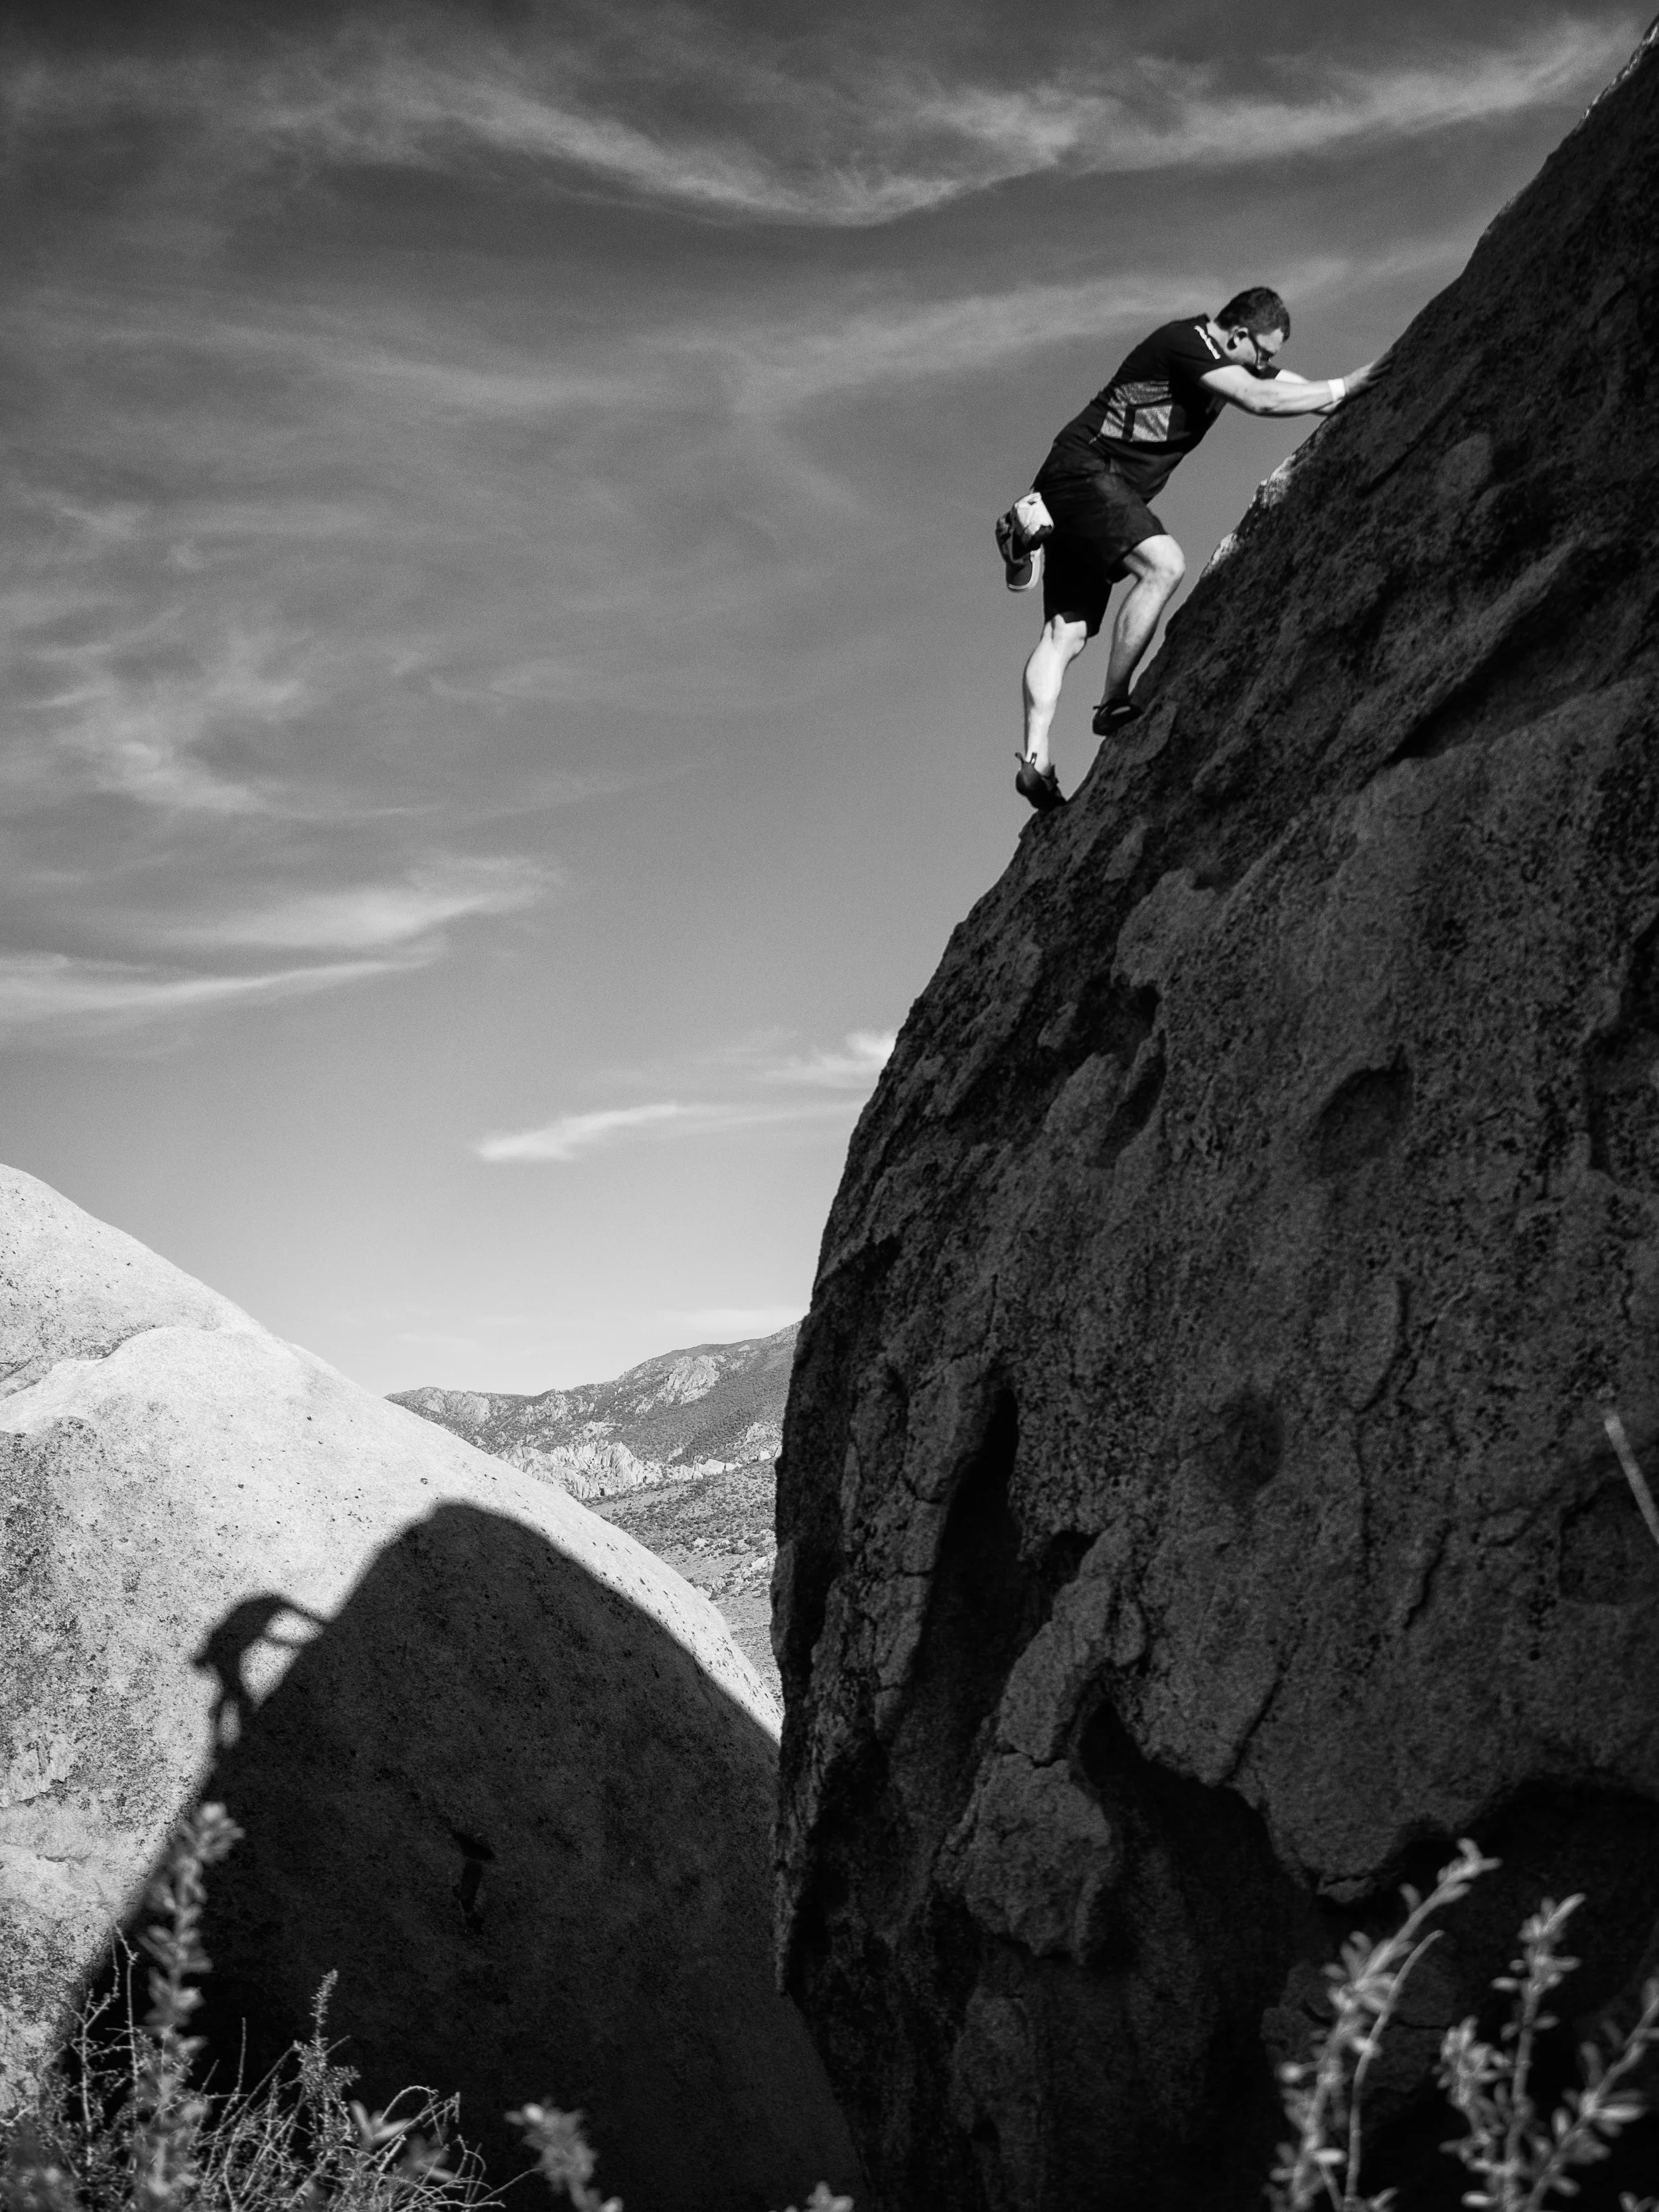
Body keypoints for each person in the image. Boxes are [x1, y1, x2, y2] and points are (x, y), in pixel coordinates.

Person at [999, 287, 1384, 812]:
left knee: (1065, 632)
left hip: (1074, 490)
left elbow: (1305, 393)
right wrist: (1350, 383)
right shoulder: (1189, 341)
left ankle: (1035, 761)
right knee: (1164, 565)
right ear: (1239, 334)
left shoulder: (1231, 361)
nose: (1267, 364)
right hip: (1089, 472)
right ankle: (1112, 703)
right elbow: (1261, 398)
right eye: (1263, 353)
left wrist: (1349, 393)